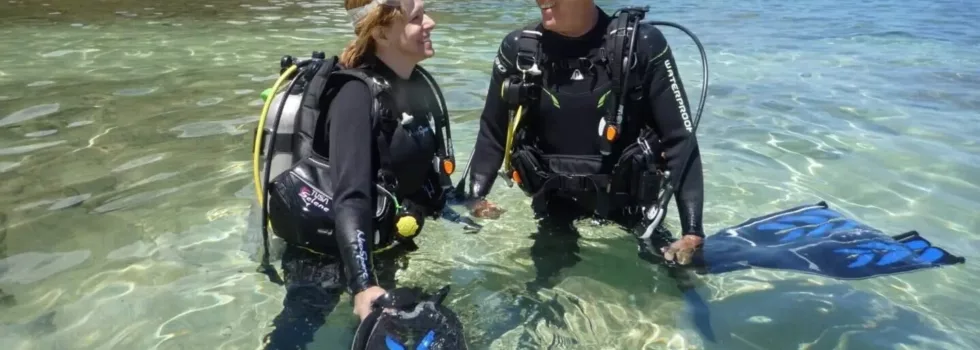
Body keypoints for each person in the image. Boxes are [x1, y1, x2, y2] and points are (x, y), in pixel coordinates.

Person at [249, 0, 457, 348]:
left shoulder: (415, 86)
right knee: (296, 332)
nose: (431, 23)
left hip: (379, 241)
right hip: (326, 251)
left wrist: (462, 206)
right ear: (380, 32)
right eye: (418, 17)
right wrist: (362, 284)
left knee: (367, 336)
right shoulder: (355, 95)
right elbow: (351, 195)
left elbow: (423, 175)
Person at [462, 0, 706, 271]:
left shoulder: (641, 46)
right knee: (541, 293)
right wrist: (476, 198)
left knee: (680, 281)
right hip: (554, 205)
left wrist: (692, 233)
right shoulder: (519, 51)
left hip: (630, 207)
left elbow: (680, 139)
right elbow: (492, 131)